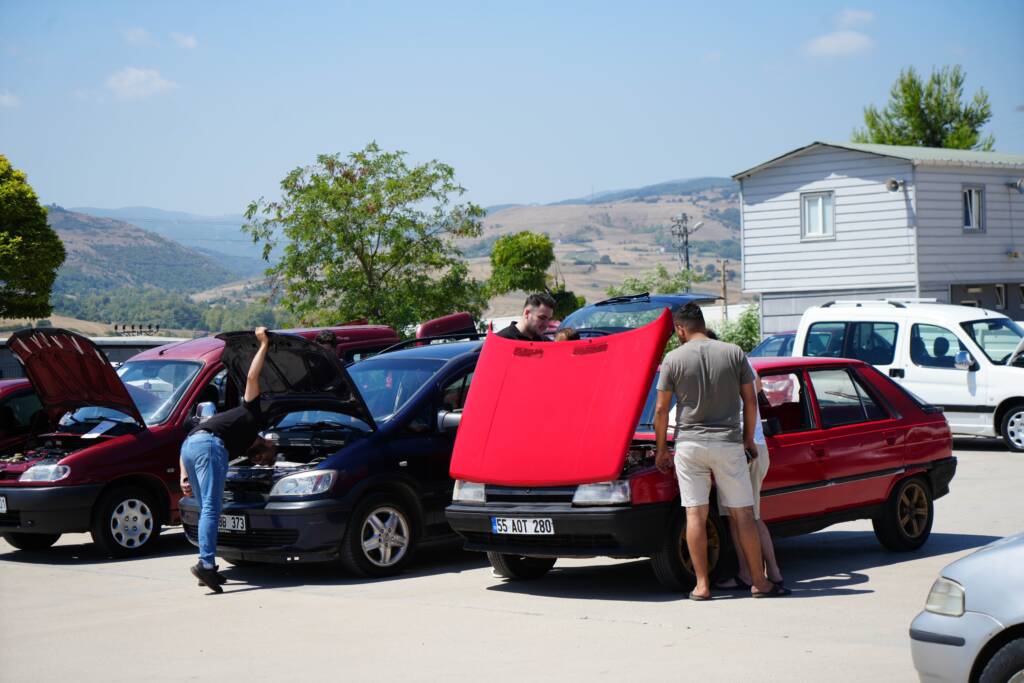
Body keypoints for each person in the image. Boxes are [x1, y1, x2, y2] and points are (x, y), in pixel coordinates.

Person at [654, 304, 789, 600]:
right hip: (728, 442)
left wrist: (661, 448)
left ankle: (702, 585)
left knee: (695, 514)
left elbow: (662, 409)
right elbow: (751, 401)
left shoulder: (673, 359)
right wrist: (748, 440)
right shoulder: (733, 352)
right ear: (702, 323)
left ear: (680, 329)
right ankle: (759, 582)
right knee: (743, 514)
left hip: (689, 443)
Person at [179, 326, 277, 593]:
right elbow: (252, 376)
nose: (270, 455)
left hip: (191, 446)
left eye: (267, 460)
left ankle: (205, 566)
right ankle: (206, 566)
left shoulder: (238, 442)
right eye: (272, 454)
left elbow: (190, 438)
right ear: (263, 444)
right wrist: (263, 345)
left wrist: (183, 475)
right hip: (206, 446)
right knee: (211, 508)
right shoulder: (251, 413)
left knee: (205, 510)